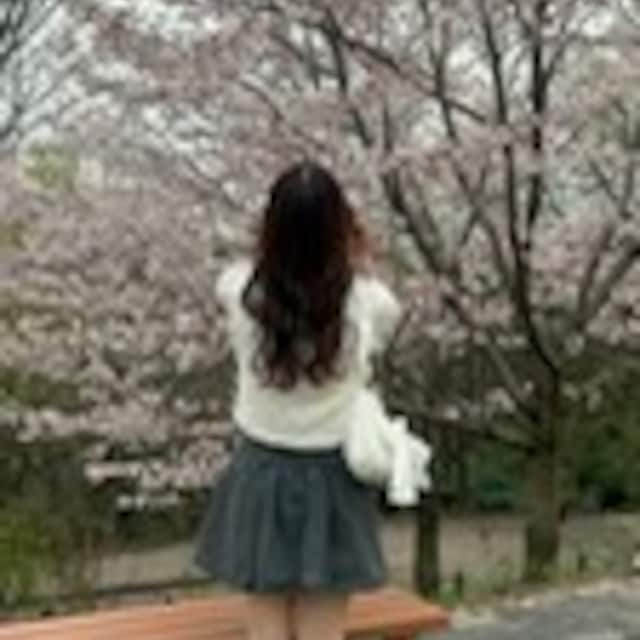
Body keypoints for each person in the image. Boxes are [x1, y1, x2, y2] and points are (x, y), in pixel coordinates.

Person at [194, 161, 402, 640]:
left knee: (266, 627)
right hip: (334, 474)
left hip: (261, 468)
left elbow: (245, 277)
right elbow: (377, 315)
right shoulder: (370, 303)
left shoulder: (238, 291)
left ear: (271, 227)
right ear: (342, 228)